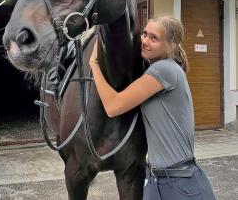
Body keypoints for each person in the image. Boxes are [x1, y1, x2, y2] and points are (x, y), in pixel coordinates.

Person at [89, 15, 216, 200]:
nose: (145, 41)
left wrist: (94, 64)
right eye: (145, 34)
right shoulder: (156, 68)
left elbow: (113, 106)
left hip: (180, 184)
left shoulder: (164, 69)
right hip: (156, 181)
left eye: (154, 38)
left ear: (171, 45)